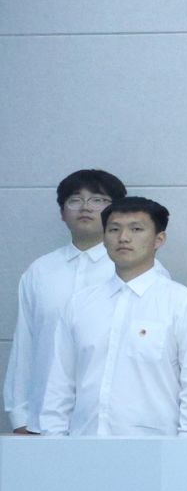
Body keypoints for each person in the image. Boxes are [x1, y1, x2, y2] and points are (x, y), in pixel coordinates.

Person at [39, 196, 187, 436]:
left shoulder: (183, 304)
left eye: (136, 229)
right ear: (104, 237)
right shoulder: (80, 305)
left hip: (157, 447)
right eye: (114, 229)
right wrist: (53, 437)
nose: (123, 238)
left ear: (159, 239)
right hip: (84, 442)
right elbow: (60, 383)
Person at [8, 168, 123, 431]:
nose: (85, 207)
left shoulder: (135, 269)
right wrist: (20, 416)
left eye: (97, 199)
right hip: (43, 419)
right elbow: (25, 345)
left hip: (111, 422)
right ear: (62, 213)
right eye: (75, 200)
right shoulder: (40, 271)